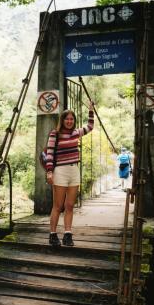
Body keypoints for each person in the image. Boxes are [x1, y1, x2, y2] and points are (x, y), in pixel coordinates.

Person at [46, 102, 94, 247]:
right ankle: (53, 235)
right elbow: (49, 153)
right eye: (67, 119)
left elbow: (90, 127)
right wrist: (49, 171)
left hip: (74, 171)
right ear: (62, 120)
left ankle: (68, 234)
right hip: (60, 170)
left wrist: (91, 111)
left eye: (71, 119)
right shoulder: (55, 133)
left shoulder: (76, 133)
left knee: (70, 205)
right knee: (58, 205)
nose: (69, 121)